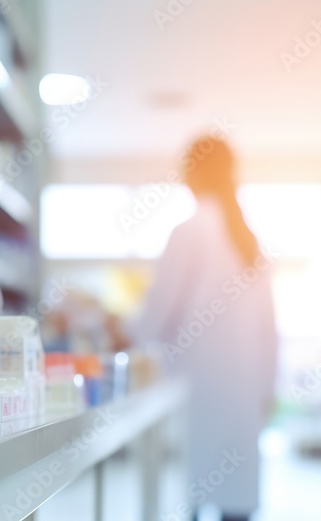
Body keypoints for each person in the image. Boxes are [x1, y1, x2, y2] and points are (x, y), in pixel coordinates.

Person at [135, 136, 277, 521]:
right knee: (236, 496)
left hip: (200, 387)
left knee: (199, 486)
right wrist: (268, 387)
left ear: (194, 172)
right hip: (245, 388)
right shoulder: (249, 239)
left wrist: (127, 338)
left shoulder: (189, 231)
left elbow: (159, 311)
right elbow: (269, 329)